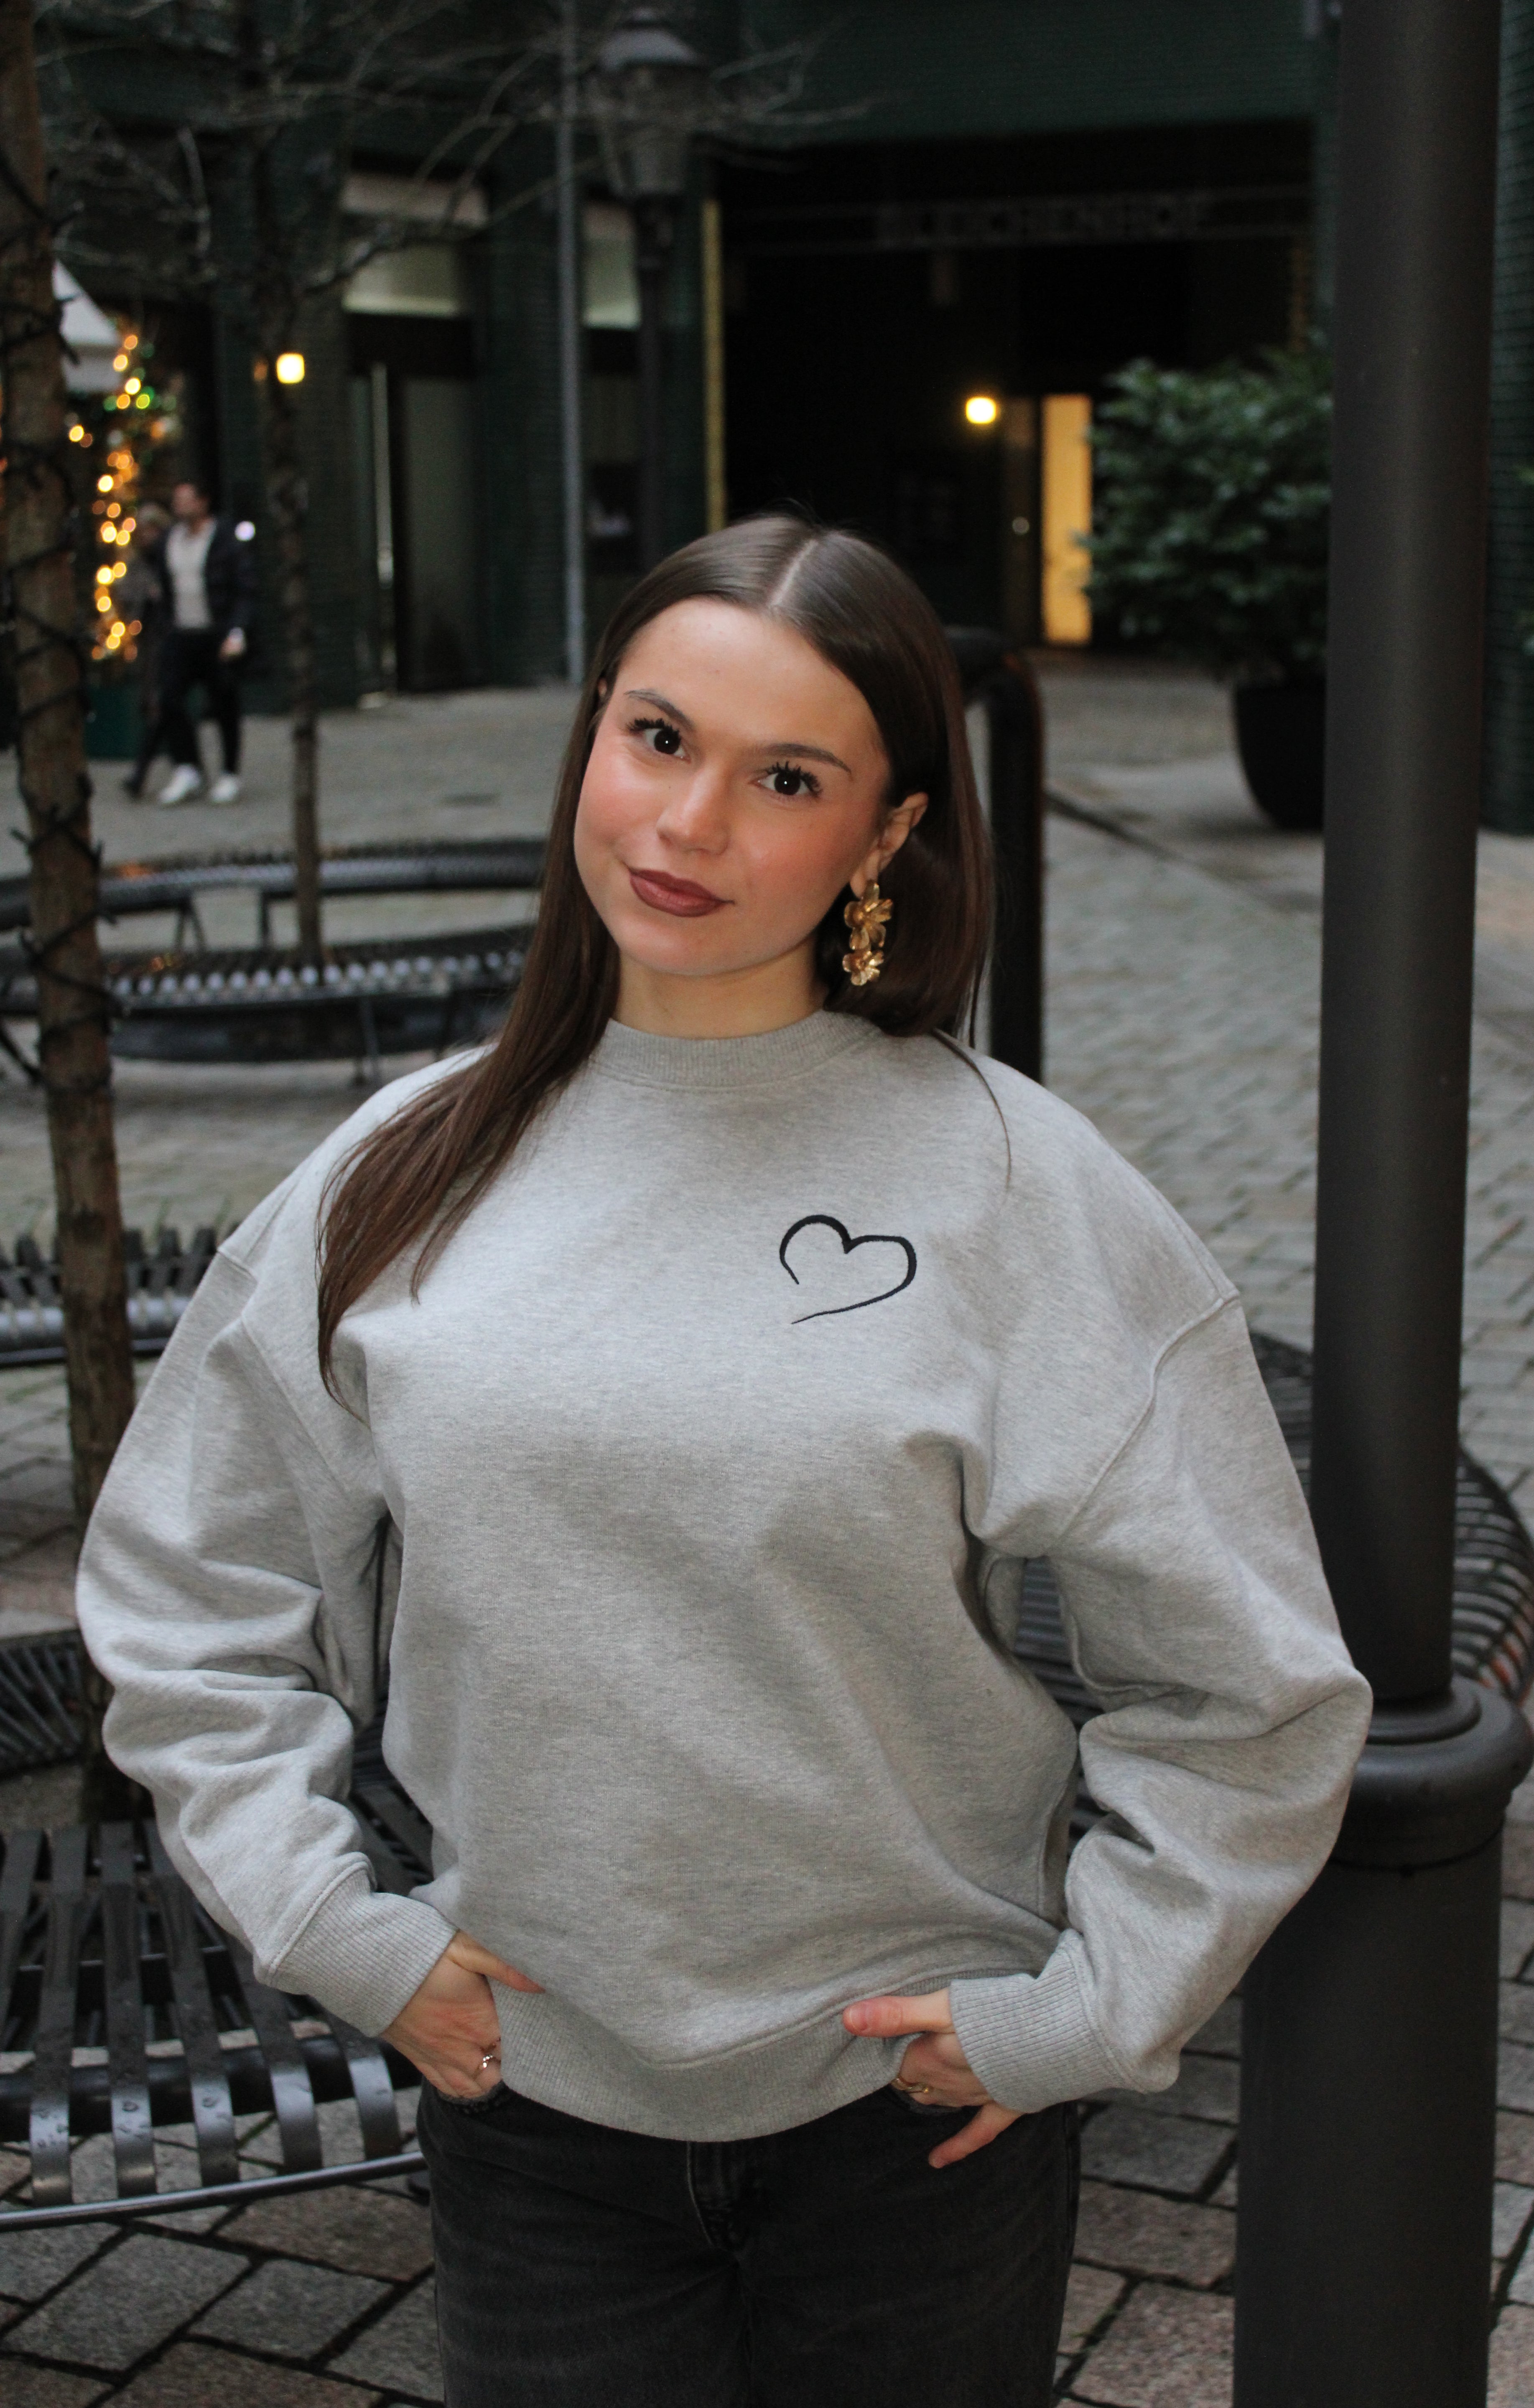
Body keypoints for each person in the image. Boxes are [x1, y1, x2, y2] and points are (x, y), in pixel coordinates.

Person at [79, 518, 1370, 2408]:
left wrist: (1086, 2007)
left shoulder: (1016, 1187)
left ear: (885, 831)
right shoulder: (401, 1172)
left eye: (785, 777)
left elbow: (1250, 1685)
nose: (686, 823)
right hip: (529, 2104)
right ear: (594, 733)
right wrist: (337, 1927)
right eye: (660, 737)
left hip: (913, 2121)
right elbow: (192, 1589)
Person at [153, 477, 254, 806]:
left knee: (225, 703)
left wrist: (236, 632)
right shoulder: (169, 540)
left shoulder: (224, 539)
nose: (179, 506)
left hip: (216, 634)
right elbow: (164, 585)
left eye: (186, 500)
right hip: (182, 634)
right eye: (176, 500)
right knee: (170, 698)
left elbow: (244, 588)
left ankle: (229, 772)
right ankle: (188, 767)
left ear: (203, 502)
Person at [120, 502, 173, 800]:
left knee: (165, 706)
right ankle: (189, 766)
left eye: (152, 530)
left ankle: (140, 775)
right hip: (152, 643)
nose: (146, 537)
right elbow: (127, 595)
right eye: (142, 531)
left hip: (175, 641)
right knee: (163, 707)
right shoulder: (138, 564)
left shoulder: (171, 557)